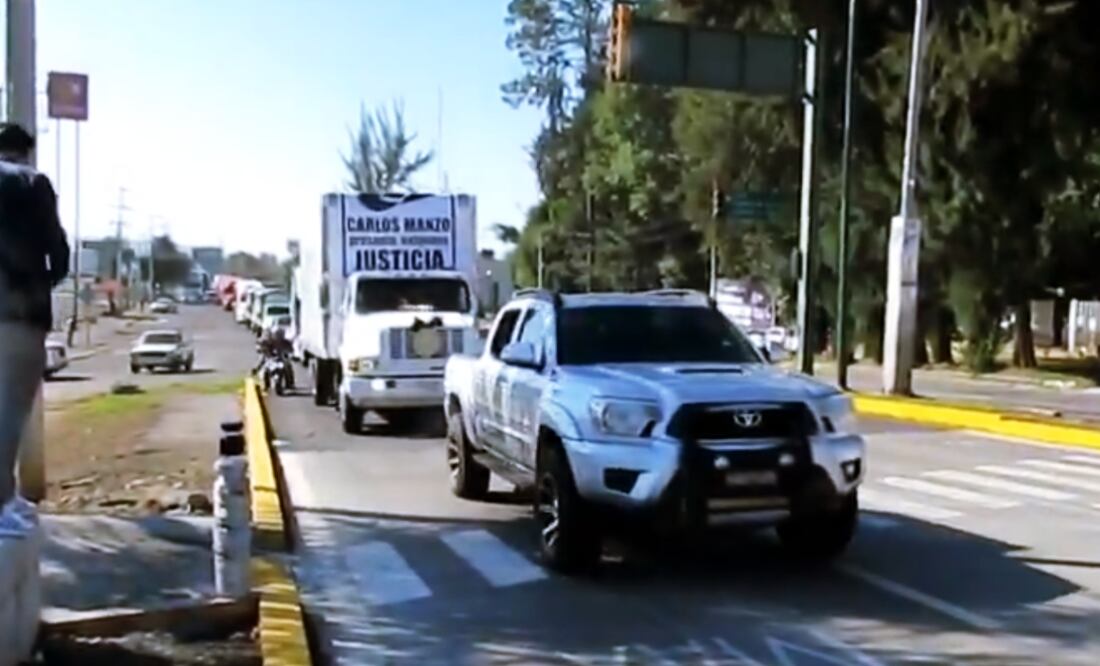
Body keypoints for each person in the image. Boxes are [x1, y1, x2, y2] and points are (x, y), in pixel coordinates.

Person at [0, 123, 69, 505]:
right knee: (8, 414)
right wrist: (38, 285)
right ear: (27, 151)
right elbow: (58, 256)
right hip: (19, 316)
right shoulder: (33, 184)